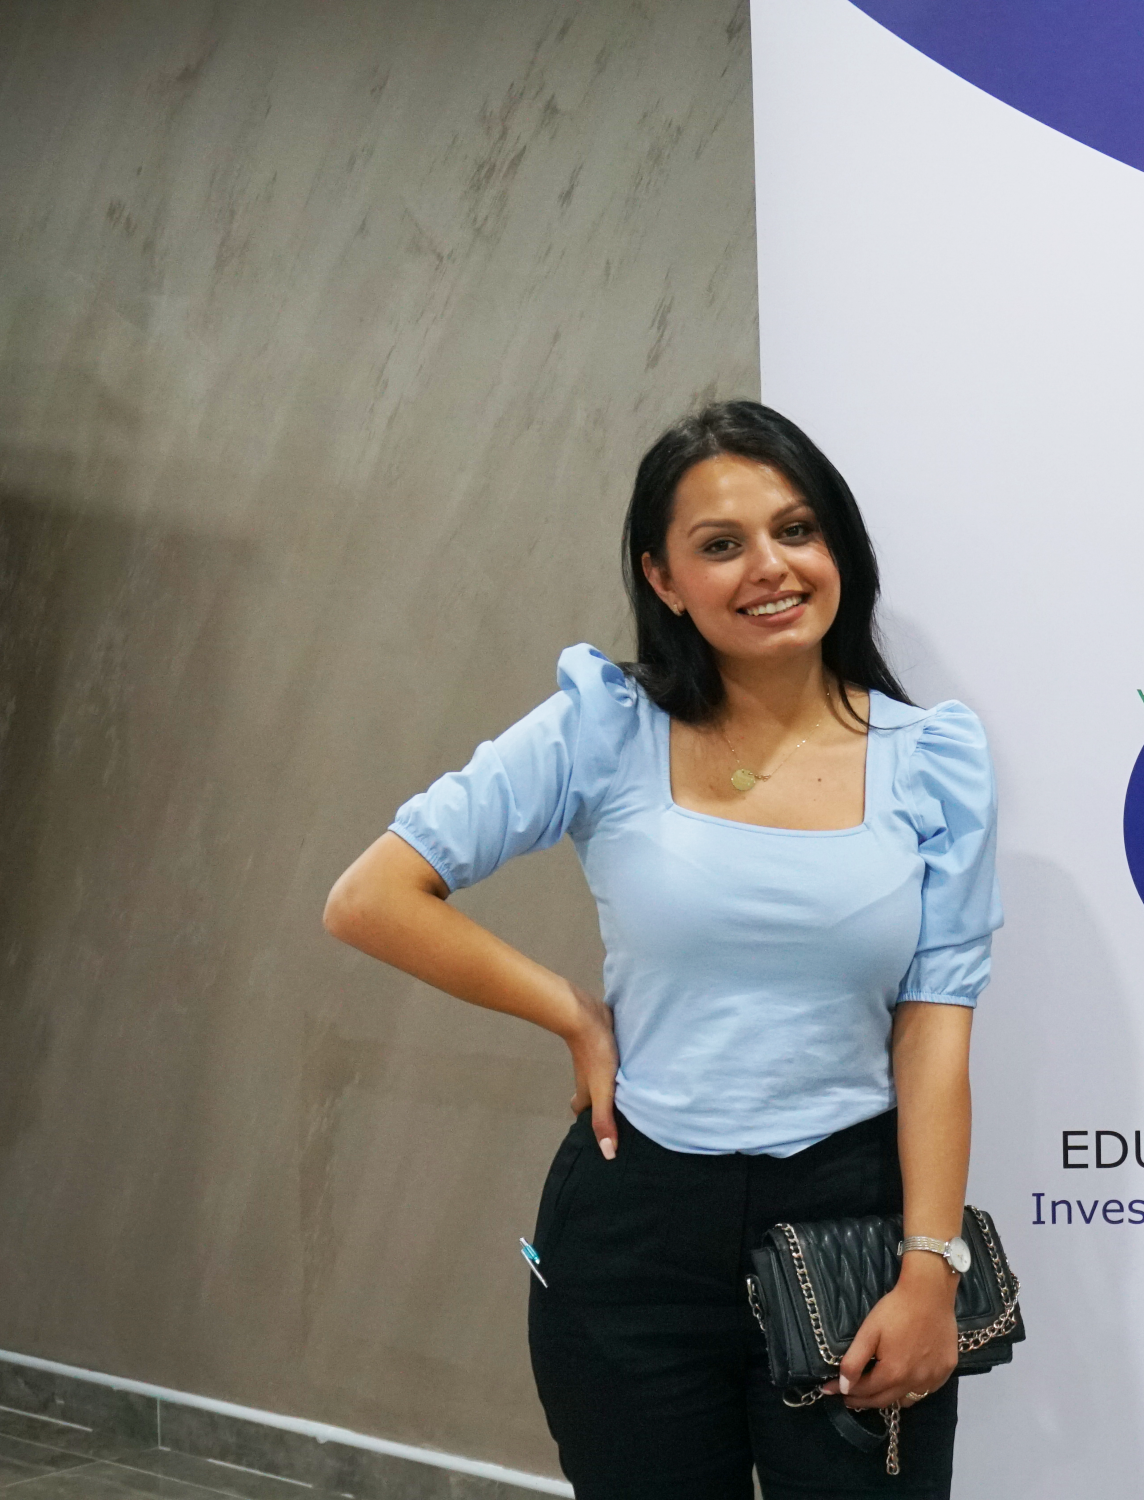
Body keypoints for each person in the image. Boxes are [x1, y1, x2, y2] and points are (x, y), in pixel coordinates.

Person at [322, 401, 998, 1498]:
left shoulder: (935, 760)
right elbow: (371, 897)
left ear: (838, 546)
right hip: (630, 1230)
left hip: (854, 1219)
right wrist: (569, 1012)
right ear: (663, 578)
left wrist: (931, 1268)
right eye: (721, 544)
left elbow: (935, 1031)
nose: (769, 567)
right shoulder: (604, 725)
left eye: (797, 530)